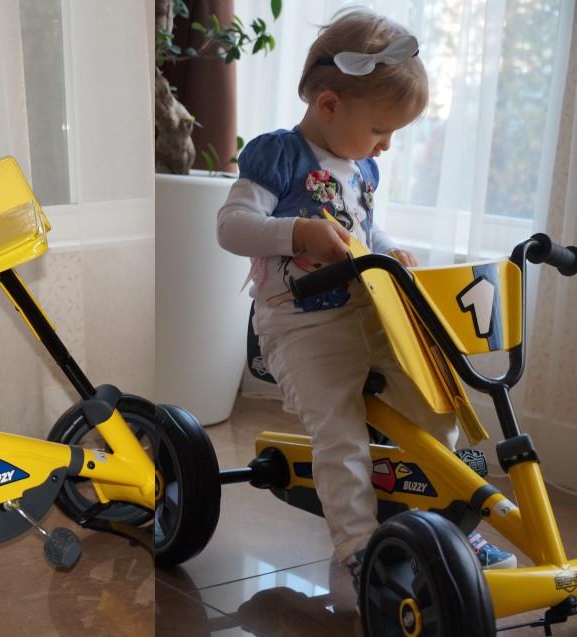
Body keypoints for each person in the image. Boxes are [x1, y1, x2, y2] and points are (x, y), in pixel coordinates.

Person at [216, 8, 515, 595]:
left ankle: (445, 523)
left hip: (371, 316)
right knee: (342, 434)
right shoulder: (280, 155)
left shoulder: (363, 168)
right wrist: (298, 232)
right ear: (329, 105)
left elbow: (362, 231)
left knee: (434, 408)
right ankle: (358, 546)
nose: (387, 144)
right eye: (381, 128)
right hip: (302, 328)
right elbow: (232, 226)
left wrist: (389, 247)